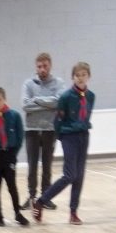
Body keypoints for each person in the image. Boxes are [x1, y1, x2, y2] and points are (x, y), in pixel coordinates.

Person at [33, 62, 95, 225]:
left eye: (83, 75)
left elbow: (86, 115)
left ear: (88, 76)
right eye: (77, 75)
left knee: (79, 176)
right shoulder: (66, 97)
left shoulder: (91, 96)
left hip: (84, 136)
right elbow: (58, 121)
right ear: (73, 77)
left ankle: (73, 212)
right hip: (69, 136)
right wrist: (62, 137)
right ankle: (41, 201)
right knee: (70, 175)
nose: (80, 78)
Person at [21, 52, 66, 210]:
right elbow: (25, 105)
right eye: (39, 66)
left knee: (47, 166)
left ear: (50, 65)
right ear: (36, 67)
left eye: (45, 66)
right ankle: (32, 197)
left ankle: (46, 198)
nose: (42, 69)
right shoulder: (28, 84)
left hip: (49, 130)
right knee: (32, 166)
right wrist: (48, 104)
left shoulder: (58, 83)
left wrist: (36, 100)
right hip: (32, 130)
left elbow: (59, 102)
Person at [0, 87, 29, 227]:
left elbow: (20, 137)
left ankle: (17, 213)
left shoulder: (14, 116)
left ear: (4, 99)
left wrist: (13, 154)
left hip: (9, 155)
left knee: (12, 186)